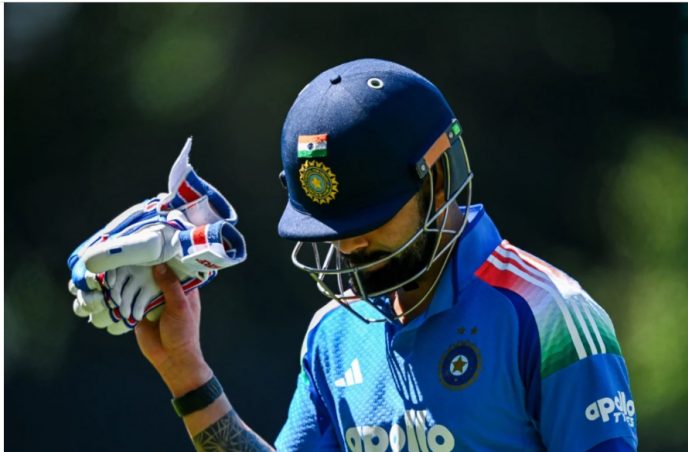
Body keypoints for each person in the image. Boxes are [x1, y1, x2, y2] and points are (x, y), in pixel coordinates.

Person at [130, 59, 638, 451]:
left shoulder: (548, 315)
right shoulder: (332, 334)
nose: (350, 245)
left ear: (437, 182)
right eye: (333, 229)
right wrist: (186, 372)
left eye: (370, 220)